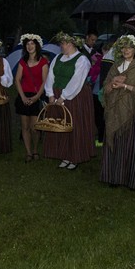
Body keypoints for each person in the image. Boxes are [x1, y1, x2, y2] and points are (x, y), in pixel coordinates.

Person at [100, 35, 135, 189]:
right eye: (123, 47)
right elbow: (105, 85)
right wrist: (112, 83)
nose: (126, 50)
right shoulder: (116, 65)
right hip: (115, 110)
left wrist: (125, 85)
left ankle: (133, 180)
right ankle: (114, 177)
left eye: (129, 47)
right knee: (116, 142)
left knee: (131, 145)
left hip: (132, 112)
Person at [43, 32, 96, 170]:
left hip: (75, 96)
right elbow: (51, 75)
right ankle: (63, 154)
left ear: (71, 44)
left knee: (74, 124)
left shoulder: (82, 60)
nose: (61, 46)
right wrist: (50, 94)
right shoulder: (58, 58)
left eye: (63, 43)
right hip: (57, 94)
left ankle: (75, 156)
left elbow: (77, 81)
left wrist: (63, 97)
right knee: (59, 124)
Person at [14, 33, 49, 162]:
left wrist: (36, 97)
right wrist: (22, 97)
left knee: (35, 128)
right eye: (27, 44)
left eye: (32, 44)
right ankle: (28, 152)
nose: (30, 46)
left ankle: (35, 149)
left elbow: (45, 82)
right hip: (24, 96)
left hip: (37, 96)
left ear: (37, 45)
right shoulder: (23, 61)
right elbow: (17, 79)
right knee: (25, 126)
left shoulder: (43, 62)